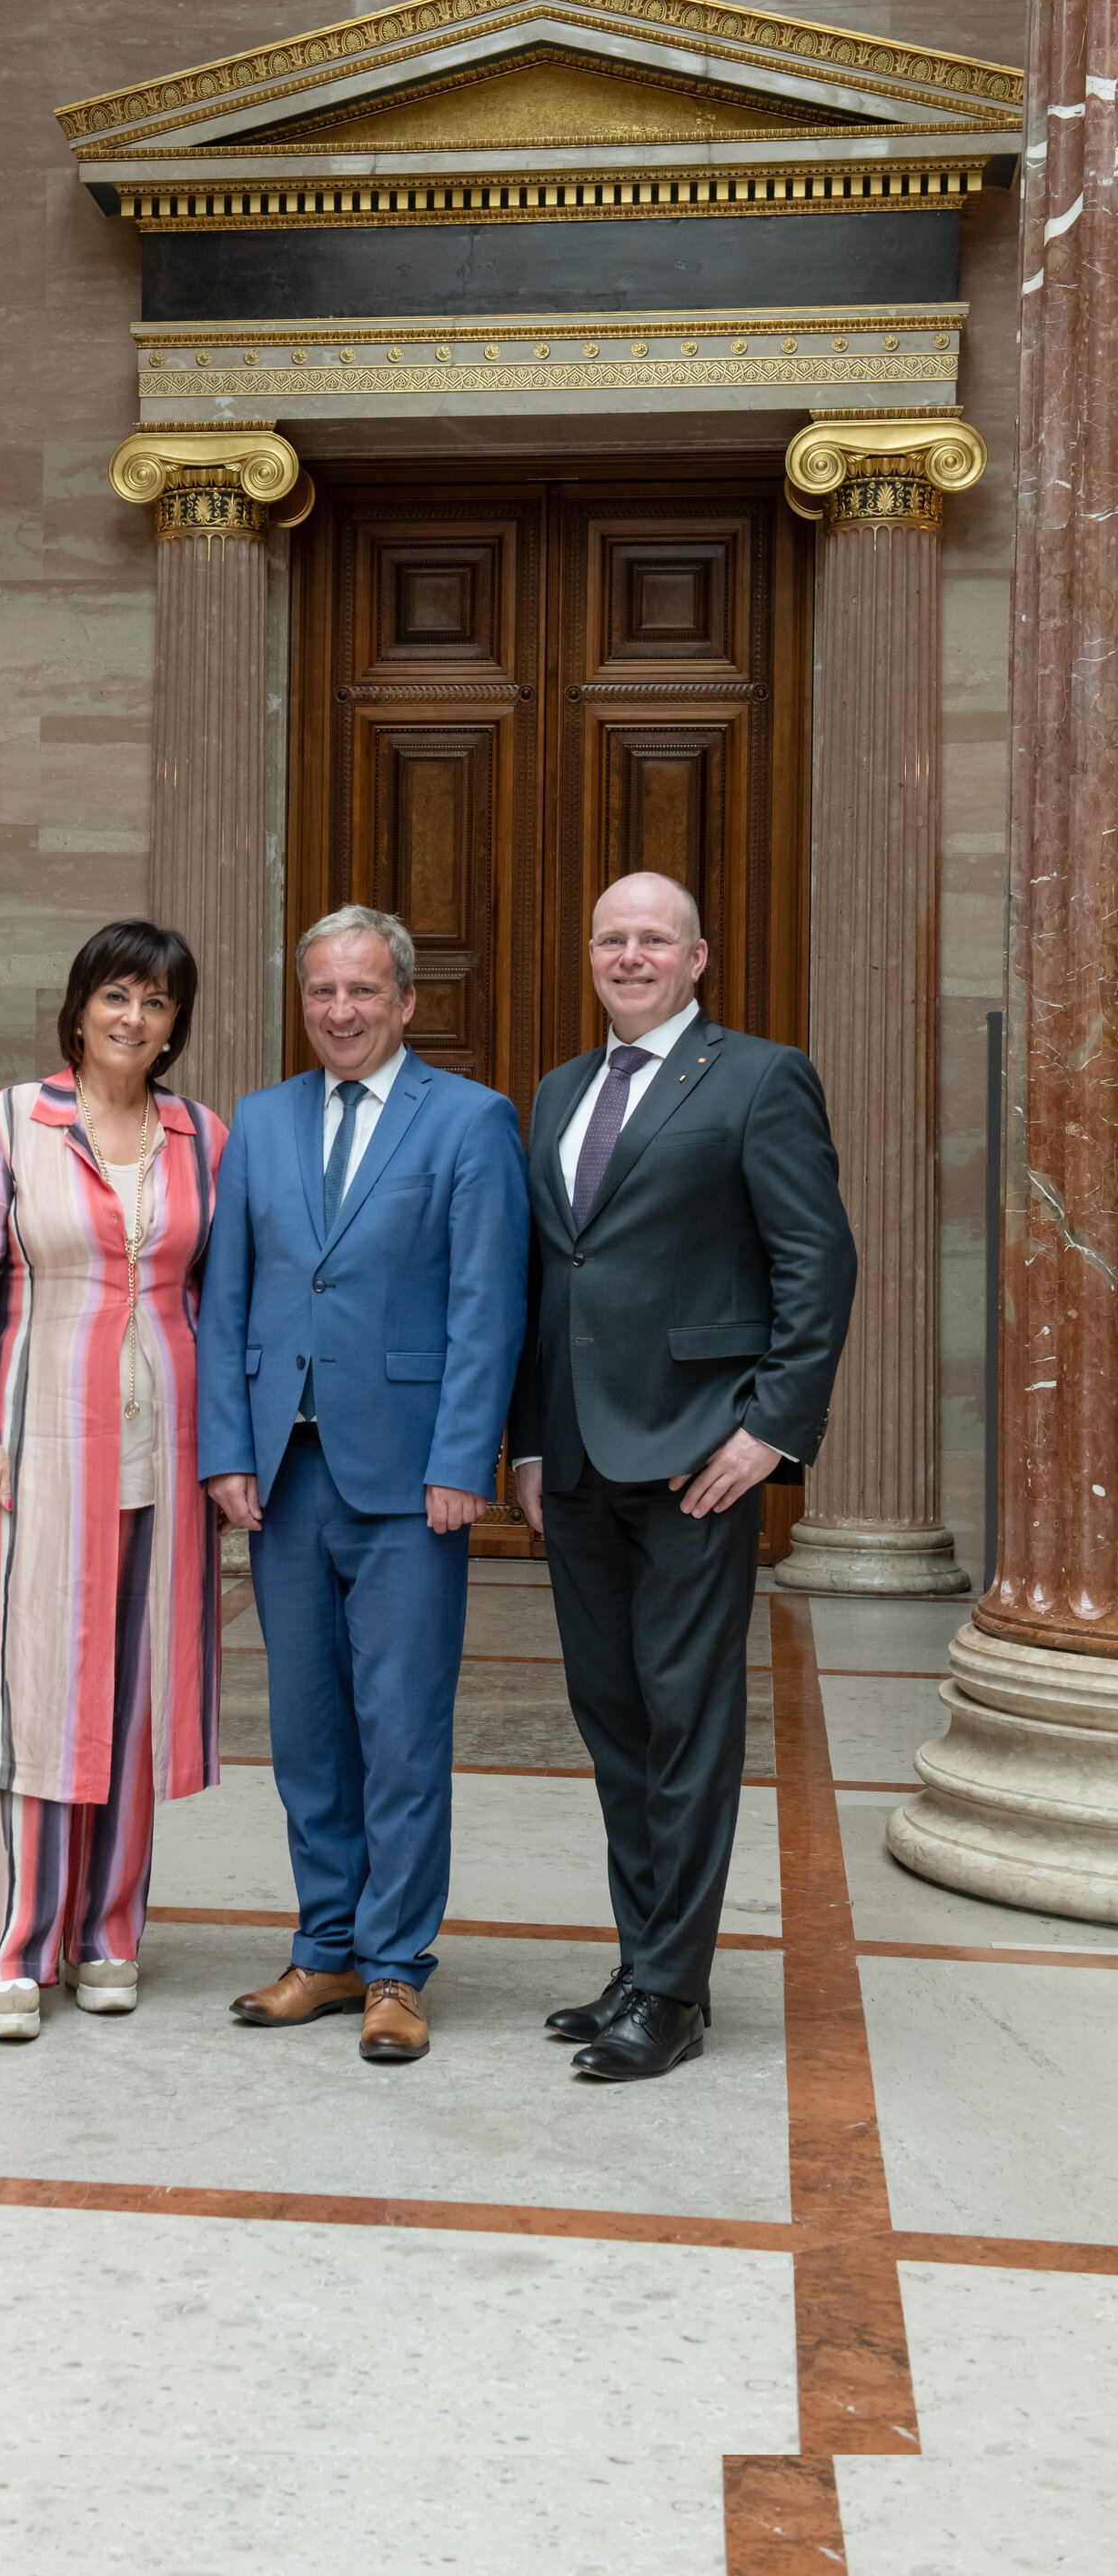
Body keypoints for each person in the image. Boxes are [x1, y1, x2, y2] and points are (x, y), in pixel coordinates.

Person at [511, 871, 856, 2082]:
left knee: (687, 1726)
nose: (629, 954)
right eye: (610, 936)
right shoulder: (558, 1090)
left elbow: (818, 1264)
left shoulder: (760, 1079)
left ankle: (673, 1991)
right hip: (582, 1459)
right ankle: (641, 1959)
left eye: (653, 937)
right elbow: (551, 1280)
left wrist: (771, 1430)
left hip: (701, 1459)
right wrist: (532, 1437)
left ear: (698, 956)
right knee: (614, 1726)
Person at [196, 904, 529, 2065]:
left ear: (406, 1003)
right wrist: (225, 1451)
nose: (340, 1012)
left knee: (398, 1733)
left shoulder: (472, 1122)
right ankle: (324, 1949)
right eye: (322, 993)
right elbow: (227, 1300)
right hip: (282, 1477)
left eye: (362, 993)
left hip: (406, 1482)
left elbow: (490, 1306)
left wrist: (461, 1462)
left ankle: (396, 1967)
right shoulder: (260, 1119)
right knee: (305, 1733)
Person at [0, 921, 227, 2042]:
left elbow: (220, 1293)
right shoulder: (10, 1121)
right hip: (38, 1444)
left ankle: (108, 1934)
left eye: (156, 1004)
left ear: (173, 1028)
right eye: (116, 996)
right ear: (77, 1008)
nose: (133, 1019)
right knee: (37, 1688)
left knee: (136, 1691)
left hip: (168, 1450)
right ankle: (14, 1943)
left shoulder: (202, 1135)